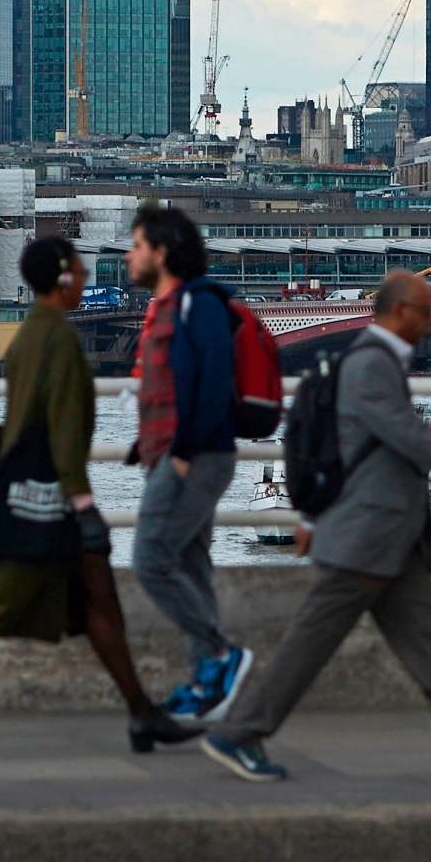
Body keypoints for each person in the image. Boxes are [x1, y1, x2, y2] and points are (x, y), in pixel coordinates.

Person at [202, 269, 431, 784]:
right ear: (400, 311)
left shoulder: (373, 362)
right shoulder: (372, 366)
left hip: (387, 538)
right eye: (425, 311)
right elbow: (407, 436)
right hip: (365, 536)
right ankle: (238, 733)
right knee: (307, 646)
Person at [0, 236, 200, 761]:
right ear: (62, 279)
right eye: (81, 274)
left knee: (96, 601)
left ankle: (141, 714)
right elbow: (64, 432)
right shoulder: (60, 342)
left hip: (21, 488)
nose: (85, 282)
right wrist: (83, 503)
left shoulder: (26, 337)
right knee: (0, 605)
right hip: (45, 496)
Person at [125, 204, 253, 724]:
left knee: (151, 560)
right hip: (174, 455)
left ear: (161, 252)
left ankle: (221, 654)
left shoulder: (196, 305)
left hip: (194, 457)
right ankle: (205, 685)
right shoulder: (167, 305)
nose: (130, 256)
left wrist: (176, 456)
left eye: (136, 246)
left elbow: (212, 383)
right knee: (192, 568)